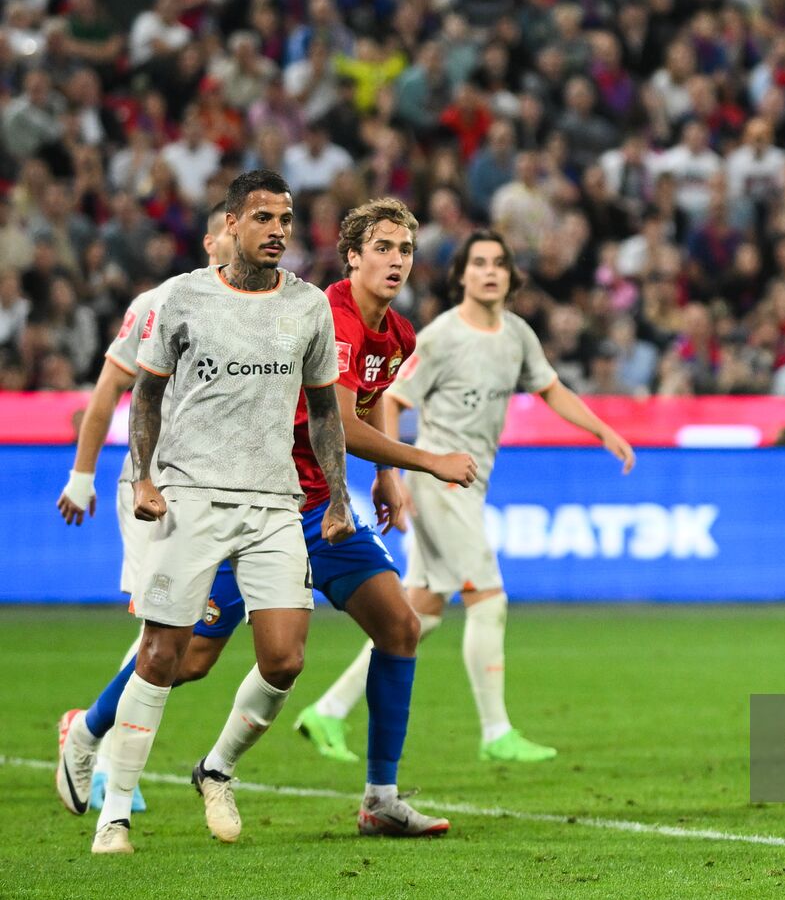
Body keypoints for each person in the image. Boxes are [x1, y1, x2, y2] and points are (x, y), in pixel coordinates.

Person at [58, 196, 479, 840]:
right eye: (384, 249)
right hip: (263, 499)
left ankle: (378, 798)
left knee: (398, 627)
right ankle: (89, 727)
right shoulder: (326, 313)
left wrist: (386, 475)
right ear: (353, 256)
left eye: (406, 251)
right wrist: (426, 461)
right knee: (188, 658)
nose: (397, 262)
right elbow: (331, 417)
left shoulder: (397, 335)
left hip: (320, 509)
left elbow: (365, 410)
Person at [83, 169, 353, 854]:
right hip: (191, 493)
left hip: (272, 501)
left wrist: (339, 496)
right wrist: (142, 478)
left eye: (286, 220)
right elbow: (144, 396)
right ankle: (115, 811)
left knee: (286, 658)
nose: (278, 231)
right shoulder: (181, 298)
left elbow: (324, 410)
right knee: (164, 652)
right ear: (230, 224)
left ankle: (216, 766)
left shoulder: (309, 306)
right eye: (264, 218)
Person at [298, 229, 635, 764]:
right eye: (478, 262)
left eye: (499, 263)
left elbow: (550, 387)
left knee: (420, 614)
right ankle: (496, 730)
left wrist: (602, 430)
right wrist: (394, 474)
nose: (490, 271)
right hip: (440, 484)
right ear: (461, 275)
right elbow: (390, 399)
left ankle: (328, 710)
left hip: (471, 488)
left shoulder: (518, 334)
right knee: (489, 599)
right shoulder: (439, 337)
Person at [55, 204, 235, 815]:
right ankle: (101, 759)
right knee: (159, 627)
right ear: (212, 239)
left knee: (194, 651)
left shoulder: (272, 310)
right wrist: (83, 475)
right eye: (231, 231)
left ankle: (90, 728)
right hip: (154, 485)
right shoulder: (162, 301)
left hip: (232, 491)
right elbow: (110, 387)